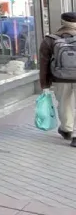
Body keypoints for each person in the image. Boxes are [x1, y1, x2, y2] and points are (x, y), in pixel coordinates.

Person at [39, 12, 76, 144]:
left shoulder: (51, 39)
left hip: (60, 78)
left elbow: (43, 64)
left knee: (65, 104)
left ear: (62, 22)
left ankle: (68, 130)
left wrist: (45, 85)